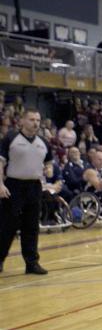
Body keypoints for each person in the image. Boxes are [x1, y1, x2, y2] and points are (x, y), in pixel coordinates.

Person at [0, 108, 52, 274]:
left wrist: (49, 169)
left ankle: (31, 263)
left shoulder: (43, 142)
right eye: (31, 119)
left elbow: (49, 162)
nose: (35, 123)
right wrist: (0, 185)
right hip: (13, 186)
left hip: (34, 187)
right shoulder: (10, 138)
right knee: (7, 226)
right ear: (22, 121)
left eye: (37, 120)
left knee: (31, 227)